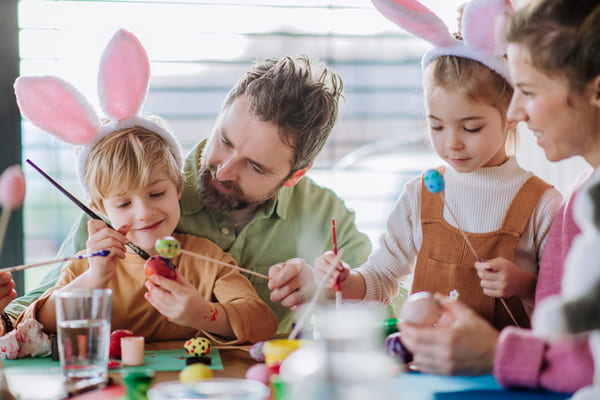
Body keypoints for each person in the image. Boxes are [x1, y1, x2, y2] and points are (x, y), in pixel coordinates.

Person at [5, 54, 373, 335]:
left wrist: (330, 289)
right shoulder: (132, 181)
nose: (224, 170)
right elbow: (25, 315)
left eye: (255, 167)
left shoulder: (325, 213)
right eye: (225, 140)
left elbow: (389, 305)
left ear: (294, 176)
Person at [12, 29, 277, 344]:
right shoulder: (87, 265)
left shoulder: (205, 259)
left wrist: (203, 313)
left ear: (178, 187)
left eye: (156, 193)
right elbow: (36, 324)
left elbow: (263, 323)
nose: (144, 212)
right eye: (124, 204)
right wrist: (95, 277)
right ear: (99, 209)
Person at [313, 0, 561, 331]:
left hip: (501, 377)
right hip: (423, 372)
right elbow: (382, 278)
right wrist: (345, 280)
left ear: (512, 114)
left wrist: (525, 285)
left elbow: (561, 308)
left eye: (471, 128)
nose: (452, 143)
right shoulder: (419, 195)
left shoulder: (545, 204)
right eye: (436, 126)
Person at [398, 0, 599, 394]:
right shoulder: (582, 198)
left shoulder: (557, 202)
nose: (515, 112)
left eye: (527, 90)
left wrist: (497, 352)